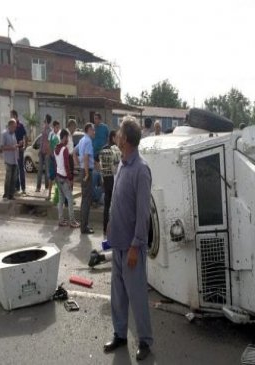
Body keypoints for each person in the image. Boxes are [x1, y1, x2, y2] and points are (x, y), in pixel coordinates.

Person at [104, 116, 153, 361]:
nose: (116, 135)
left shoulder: (141, 169)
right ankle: (120, 334)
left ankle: (145, 340)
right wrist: (111, 225)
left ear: (125, 139)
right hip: (118, 242)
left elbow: (144, 213)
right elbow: (117, 200)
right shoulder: (122, 163)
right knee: (118, 294)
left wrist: (136, 245)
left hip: (132, 246)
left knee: (137, 296)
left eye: (119, 133)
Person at [54, 129, 80, 228]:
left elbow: (56, 164)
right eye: (67, 138)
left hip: (58, 176)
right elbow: (66, 165)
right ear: (64, 137)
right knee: (70, 199)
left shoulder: (56, 148)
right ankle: (72, 221)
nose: (68, 140)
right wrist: (70, 179)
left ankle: (61, 220)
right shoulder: (64, 149)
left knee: (61, 200)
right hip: (64, 178)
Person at [74, 123, 95, 234]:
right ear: (88, 130)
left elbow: (73, 152)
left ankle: (84, 225)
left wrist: (78, 166)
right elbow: (86, 157)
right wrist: (86, 172)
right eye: (93, 130)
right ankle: (84, 227)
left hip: (83, 170)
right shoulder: (87, 141)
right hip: (87, 171)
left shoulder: (82, 140)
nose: (94, 132)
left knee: (84, 200)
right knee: (87, 200)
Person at [98, 130, 121, 236]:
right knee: (115, 206)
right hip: (114, 180)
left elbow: (100, 165)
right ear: (113, 138)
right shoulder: (116, 150)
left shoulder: (103, 149)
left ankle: (104, 228)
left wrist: (102, 177)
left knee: (107, 206)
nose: (118, 139)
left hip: (106, 180)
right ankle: (114, 229)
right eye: (117, 137)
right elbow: (117, 167)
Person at [92, 113, 109, 205]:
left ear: (100, 119)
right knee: (95, 176)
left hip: (103, 154)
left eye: (97, 119)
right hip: (94, 154)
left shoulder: (105, 128)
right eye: (94, 119)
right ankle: (96, 198)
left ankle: (100, 196)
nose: (95, 120)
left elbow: (108, 138)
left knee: (102, 175)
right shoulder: (93, 128)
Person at [0, 119, 19, 200]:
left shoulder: (13, 134)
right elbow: (2, 147)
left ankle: (11, 195)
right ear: (10, 126)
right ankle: (6, 194)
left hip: (15, 159)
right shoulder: (4, 134)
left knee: (13, 178)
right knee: (8, 178)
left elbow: (14, 145)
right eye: (14, 127)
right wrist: (12, 147)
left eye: (15, 127)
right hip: (8, 160)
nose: (15, 128)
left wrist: (18, 145)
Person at [11, 110, 27, 195]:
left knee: (21, 169)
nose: (11, 118)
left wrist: (25, 146)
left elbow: (25, 136)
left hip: (20, 150)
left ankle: (23, 188)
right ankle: (17, 187)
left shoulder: (20, 126)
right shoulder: (11, 127)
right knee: (15, 169)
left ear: (16, 117)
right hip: (13, 150)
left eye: (12, 116)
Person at [36, 114, 52, 192]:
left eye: (45, 119)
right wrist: (39, 150)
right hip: (42, 152)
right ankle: (38, 187)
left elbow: (49, 142)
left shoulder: (50, 130)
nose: (44, 121)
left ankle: (46, 186)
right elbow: (42, 141)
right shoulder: (43, 129)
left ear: (47, 120)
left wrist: (49, 152)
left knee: (47, 171)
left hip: (47, 153)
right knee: (39, 170)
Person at [46, 120, 60, 201]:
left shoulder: (59, 134)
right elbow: (48, 146)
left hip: (58, 159)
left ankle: (58, 195)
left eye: (58, 127)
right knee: (51, 177)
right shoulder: (51, 134)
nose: (58, 128)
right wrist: (51, 155)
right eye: (57, 127)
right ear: (54, 127)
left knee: (58, 177)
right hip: (52, 158)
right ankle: (49, 194)